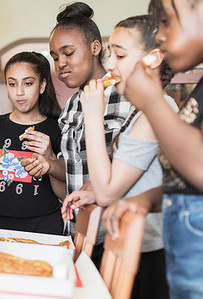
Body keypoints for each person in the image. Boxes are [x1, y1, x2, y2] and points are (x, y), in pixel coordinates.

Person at [62, 15, 177, 299]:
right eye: (110, 53)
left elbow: (109, 191)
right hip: (135, 245)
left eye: (120, 54)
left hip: (153, 251)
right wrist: (91, 190)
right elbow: (115, 181)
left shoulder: (156, 110)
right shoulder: (142, 111)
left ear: (153, 59)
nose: (109, 64)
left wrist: (92, 116)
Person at [102, 0, 203, 298]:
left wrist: (152, 102)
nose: (160, 35)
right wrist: (146, 200)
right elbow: (185, 174)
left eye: (168, 21)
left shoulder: (159, 105)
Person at [21, 1, 133, 265]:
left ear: (95, 47)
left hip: (117, 234)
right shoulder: (71, 105)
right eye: (55, 57)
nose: (61, 64)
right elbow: (70, 175)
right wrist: (48, 163)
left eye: (68, 53)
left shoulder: (127, 95)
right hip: (77, 232)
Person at [0, 51, 64, 235]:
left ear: (42, 85)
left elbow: (63, 191)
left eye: (28, 83)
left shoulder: (55, 128)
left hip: (46, 222)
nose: (19, 92)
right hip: (0, 222)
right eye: (12, 84)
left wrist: (50, 156)